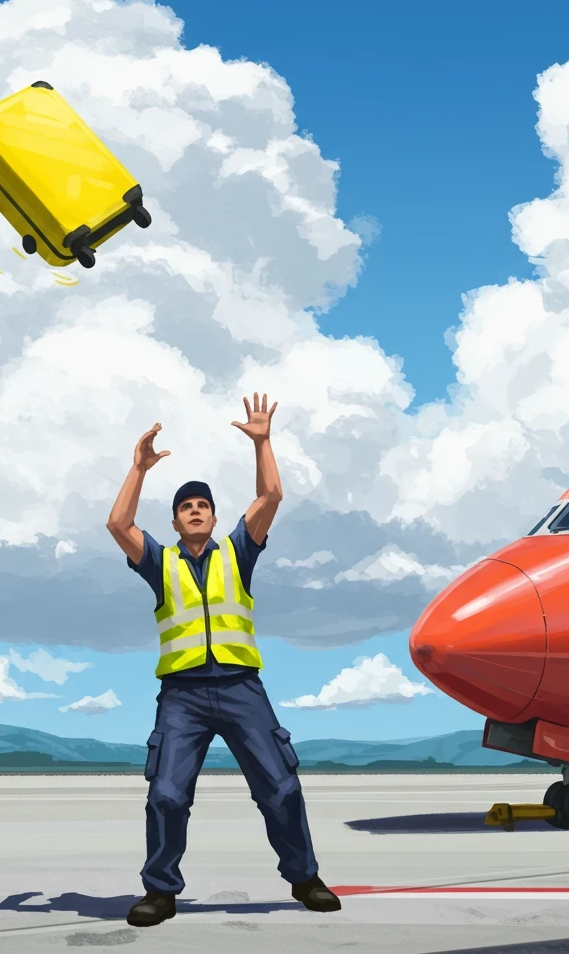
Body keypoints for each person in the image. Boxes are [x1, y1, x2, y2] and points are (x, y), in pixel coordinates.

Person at [106, 393, 341, 927]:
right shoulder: (158, 562)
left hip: (241, 689)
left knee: (280, 787)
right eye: (186, 506)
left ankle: (304, 878)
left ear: (213, 517)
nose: (195, 511)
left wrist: (263, 442)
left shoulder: (239, 550)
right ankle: (161, 891)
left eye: (203, 506)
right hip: (183, 696)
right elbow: (118, 523)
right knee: (166, 794)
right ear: (174, 520)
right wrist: (137, 469)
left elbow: (272, 493)